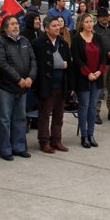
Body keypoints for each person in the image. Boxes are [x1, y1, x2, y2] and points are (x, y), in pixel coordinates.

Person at [0, 16, 35, 161]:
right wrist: (18, 79)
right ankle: (6, 149)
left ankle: (19, 147)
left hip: (22, 87)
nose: (16, 26)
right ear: (5, 27)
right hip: (5, 87)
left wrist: (30, 78)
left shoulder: (24, 41)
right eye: (13, 24)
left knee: (20, 118)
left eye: (17, 23)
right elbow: (2, 64)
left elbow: (33, 60)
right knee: (4, 120)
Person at [31, 15, 73, 153]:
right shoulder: (38, 43)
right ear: (47, 28)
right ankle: (44, 141)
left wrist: (70, 85)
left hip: (61, 84)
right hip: (46, 85)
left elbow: (69, 64)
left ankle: (56, 140)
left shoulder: (62, 43)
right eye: (54, 26)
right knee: (44, 116)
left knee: (59, 115)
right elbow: (37, 64)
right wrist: (60, 64)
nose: (57, 28)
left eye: (58, 25)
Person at [72, 13, 106, 148]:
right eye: (86, 22)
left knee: (93, 108)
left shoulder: (98, 37)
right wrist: (88, 73)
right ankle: (84, 135)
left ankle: (91, 134)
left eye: (91, 21)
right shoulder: (76, 39)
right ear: (81, 24)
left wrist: (98, 72)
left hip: (97, 78)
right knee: (84, 106)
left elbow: (103, 57)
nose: (89, 24)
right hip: (83, 78)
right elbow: (77, 59)